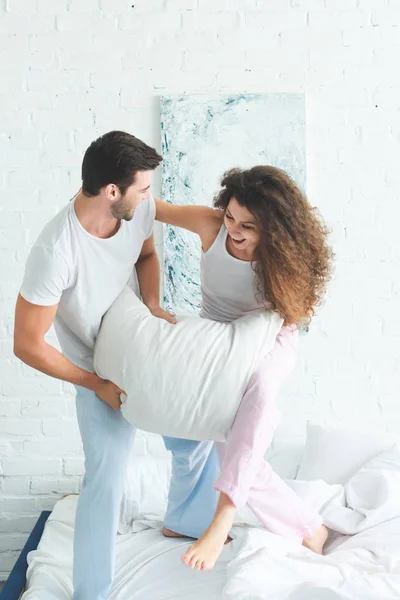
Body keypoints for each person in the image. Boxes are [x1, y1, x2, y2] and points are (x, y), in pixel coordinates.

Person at [13, 131, 219, 599]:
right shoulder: (55, 252)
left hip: (140, 346)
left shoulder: (136, 209)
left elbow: (146, 255)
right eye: (143, 188)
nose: (151, 197)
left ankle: (186, 520)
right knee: (105, 480)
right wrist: (95, 383)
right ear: (111, 191)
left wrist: (150, 301)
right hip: (97, 369)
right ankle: (92, 593)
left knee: (194, 431)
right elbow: (27, 344)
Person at [155, 165, 333, 570]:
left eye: (248, 227)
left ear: (273, 231)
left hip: (269, 341)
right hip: (219, 342)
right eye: (231, 217)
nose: (234, 230)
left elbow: (293, 315)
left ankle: (223, 517)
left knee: (261, 397)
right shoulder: (210, 226)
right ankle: (309, 528)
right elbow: (150, 208)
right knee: (226, 439)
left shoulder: (285, 259)